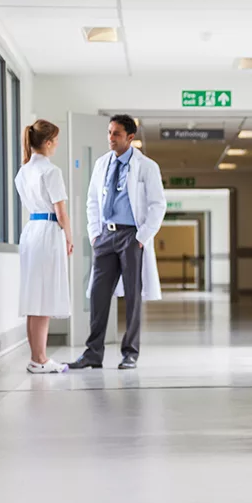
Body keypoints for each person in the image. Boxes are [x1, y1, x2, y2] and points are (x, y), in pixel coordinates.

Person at [68, 114, 166, 370]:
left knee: (133, 296)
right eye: (109, 132)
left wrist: (142, 237)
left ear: (130, 138)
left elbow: (158, 205)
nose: (111, 138)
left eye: (116, 134)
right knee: (99, 295)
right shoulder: (102, 164)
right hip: (105, 236)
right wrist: (94, 234)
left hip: (132, 236)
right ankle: (92, 353)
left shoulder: (146, 166)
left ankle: (130, 352)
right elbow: (92, 200)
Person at [15, 119, 73, 374]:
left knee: (34, 296)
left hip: (31, 231)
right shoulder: (51, 171)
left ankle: (37, 356)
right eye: (56, 141)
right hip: (49, 231)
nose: (57, 145)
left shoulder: (23, 171)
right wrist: (69, 237)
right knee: (44, 296)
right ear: (48, 142)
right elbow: (61, 212)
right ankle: (39, 359)